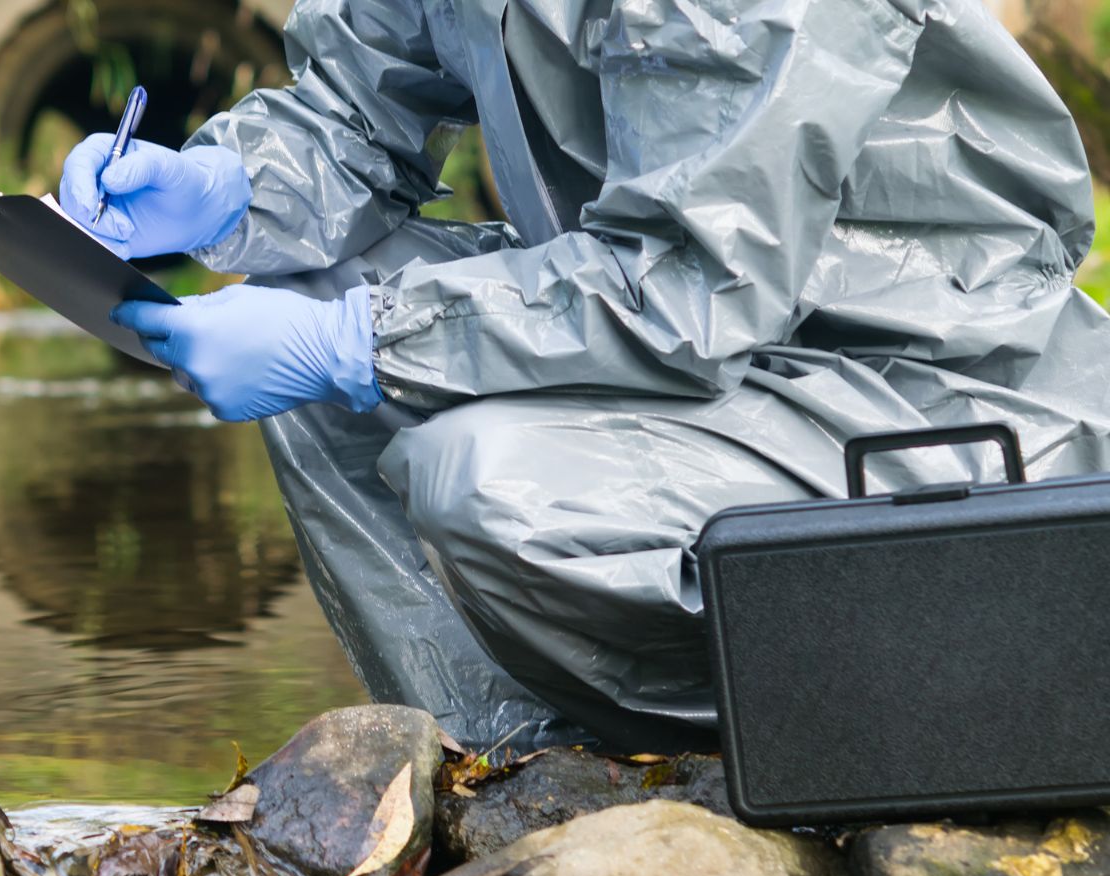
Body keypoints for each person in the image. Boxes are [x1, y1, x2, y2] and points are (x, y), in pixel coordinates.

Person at [57, 0, 1110, 752]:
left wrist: (359, 344)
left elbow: (686, 287)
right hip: (699, 347)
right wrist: (222, 188)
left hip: (920, 399)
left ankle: (734, 755)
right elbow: (355, 106)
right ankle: (499, 763)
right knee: (313, 271)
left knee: (485, 480)